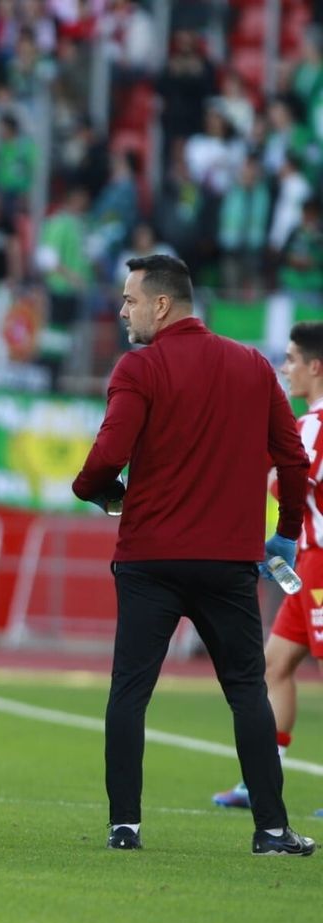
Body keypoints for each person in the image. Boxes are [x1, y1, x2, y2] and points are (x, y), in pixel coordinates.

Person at [72, 254, 315, 855]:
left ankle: (125, 826)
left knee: (130, 692)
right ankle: (272, 829)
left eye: (130, 300)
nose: (123, 309)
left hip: (150, 559)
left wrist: (96, 491)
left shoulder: (140, 368)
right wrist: (284, 533)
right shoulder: (253, 366)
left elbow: (107, 456)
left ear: (161, 304)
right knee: (246, 692)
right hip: (227, 562)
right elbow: (293, 459)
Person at [214, 322, 323, 811]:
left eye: (293, 359)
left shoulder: (314, 427)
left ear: (315, 367)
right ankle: (262, 778)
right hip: (307, 566)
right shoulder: (304, 426)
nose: (286, 369)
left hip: (320, 566)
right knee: (274, 664)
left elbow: (292, 483)